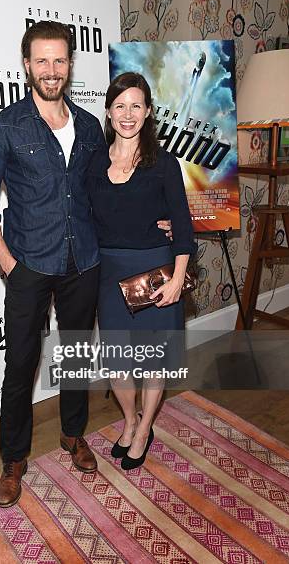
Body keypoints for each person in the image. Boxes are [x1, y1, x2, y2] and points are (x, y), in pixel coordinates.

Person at [0, 22, 172, 507]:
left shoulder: (87, 128)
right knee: (20, 366)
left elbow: (113, 190)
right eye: (42, 60)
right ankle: (14, 460)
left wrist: (158, 220)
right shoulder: (5, 127)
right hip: (28, 264)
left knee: (77, 356)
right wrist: (10, 267)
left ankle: (73, 434)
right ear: (26, 65)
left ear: (70, 66)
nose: (51, 70)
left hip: (84, 262)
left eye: (60, 60)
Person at [88, 72, 196, 470]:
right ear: (109, 110)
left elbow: (182, 226)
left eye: (136, 105)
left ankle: (145, 426)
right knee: (117, 360)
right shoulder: (94, 161)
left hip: (155, 274)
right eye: (120, 105)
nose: (128, 113)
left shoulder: (163, 164)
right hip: (109, 273)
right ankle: (130, 420)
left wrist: (178, 279)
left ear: (148, 111)